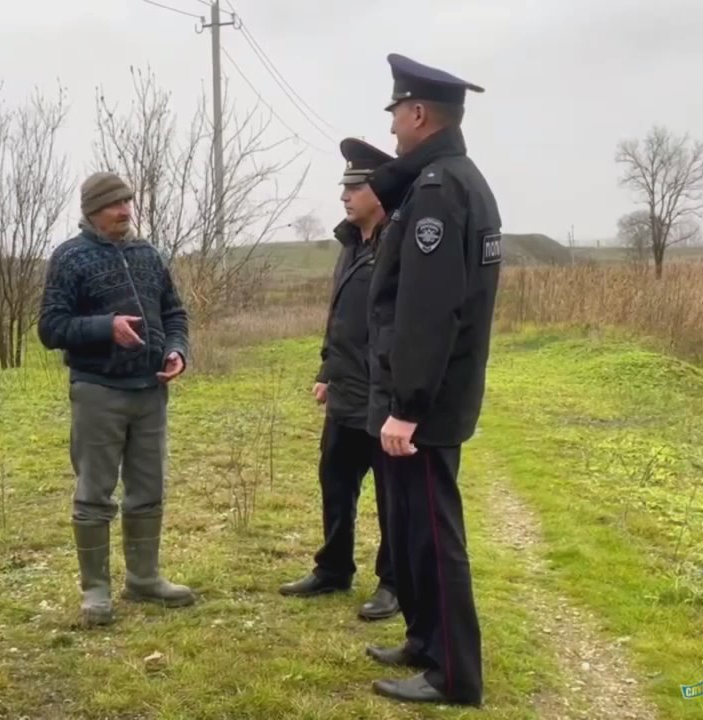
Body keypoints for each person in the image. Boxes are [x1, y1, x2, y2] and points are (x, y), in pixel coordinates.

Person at [360, 53, 502, 706]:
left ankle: (454, 675)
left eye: (396, 114)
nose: (391, 129)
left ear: (418, 113)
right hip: (428, 396)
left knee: (435, 536)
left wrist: (408, 405)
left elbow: (429, 308)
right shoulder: (453, 180)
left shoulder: (442, 190)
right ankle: (423, 641)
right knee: (413, 527)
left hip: (427, 403)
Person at [38, 171, 195, 628]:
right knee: (94, 494)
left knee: (149, 489)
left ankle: (144, 579)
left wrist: (176, 348)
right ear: (92, 210)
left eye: (128, 202)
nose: (125, 211)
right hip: (98, 391)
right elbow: (51, 327)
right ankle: (96, 591)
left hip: (151, 391)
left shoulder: (148, 255)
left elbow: (174, 312)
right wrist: (105, 327)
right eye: (114, 205)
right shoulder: (69, 258)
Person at [278, 138, 399, 622]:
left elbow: (399, 325)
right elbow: (340, 318)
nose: (345, 196)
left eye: (356, 187)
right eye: (344, 187)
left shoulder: (398, 244)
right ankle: (334, 567)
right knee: (336, 480)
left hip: (385, 396)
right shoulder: (351, 245)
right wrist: (327, 371)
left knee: (393, 495)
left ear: (380, 190)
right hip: (347, 390)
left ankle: (393, 582)